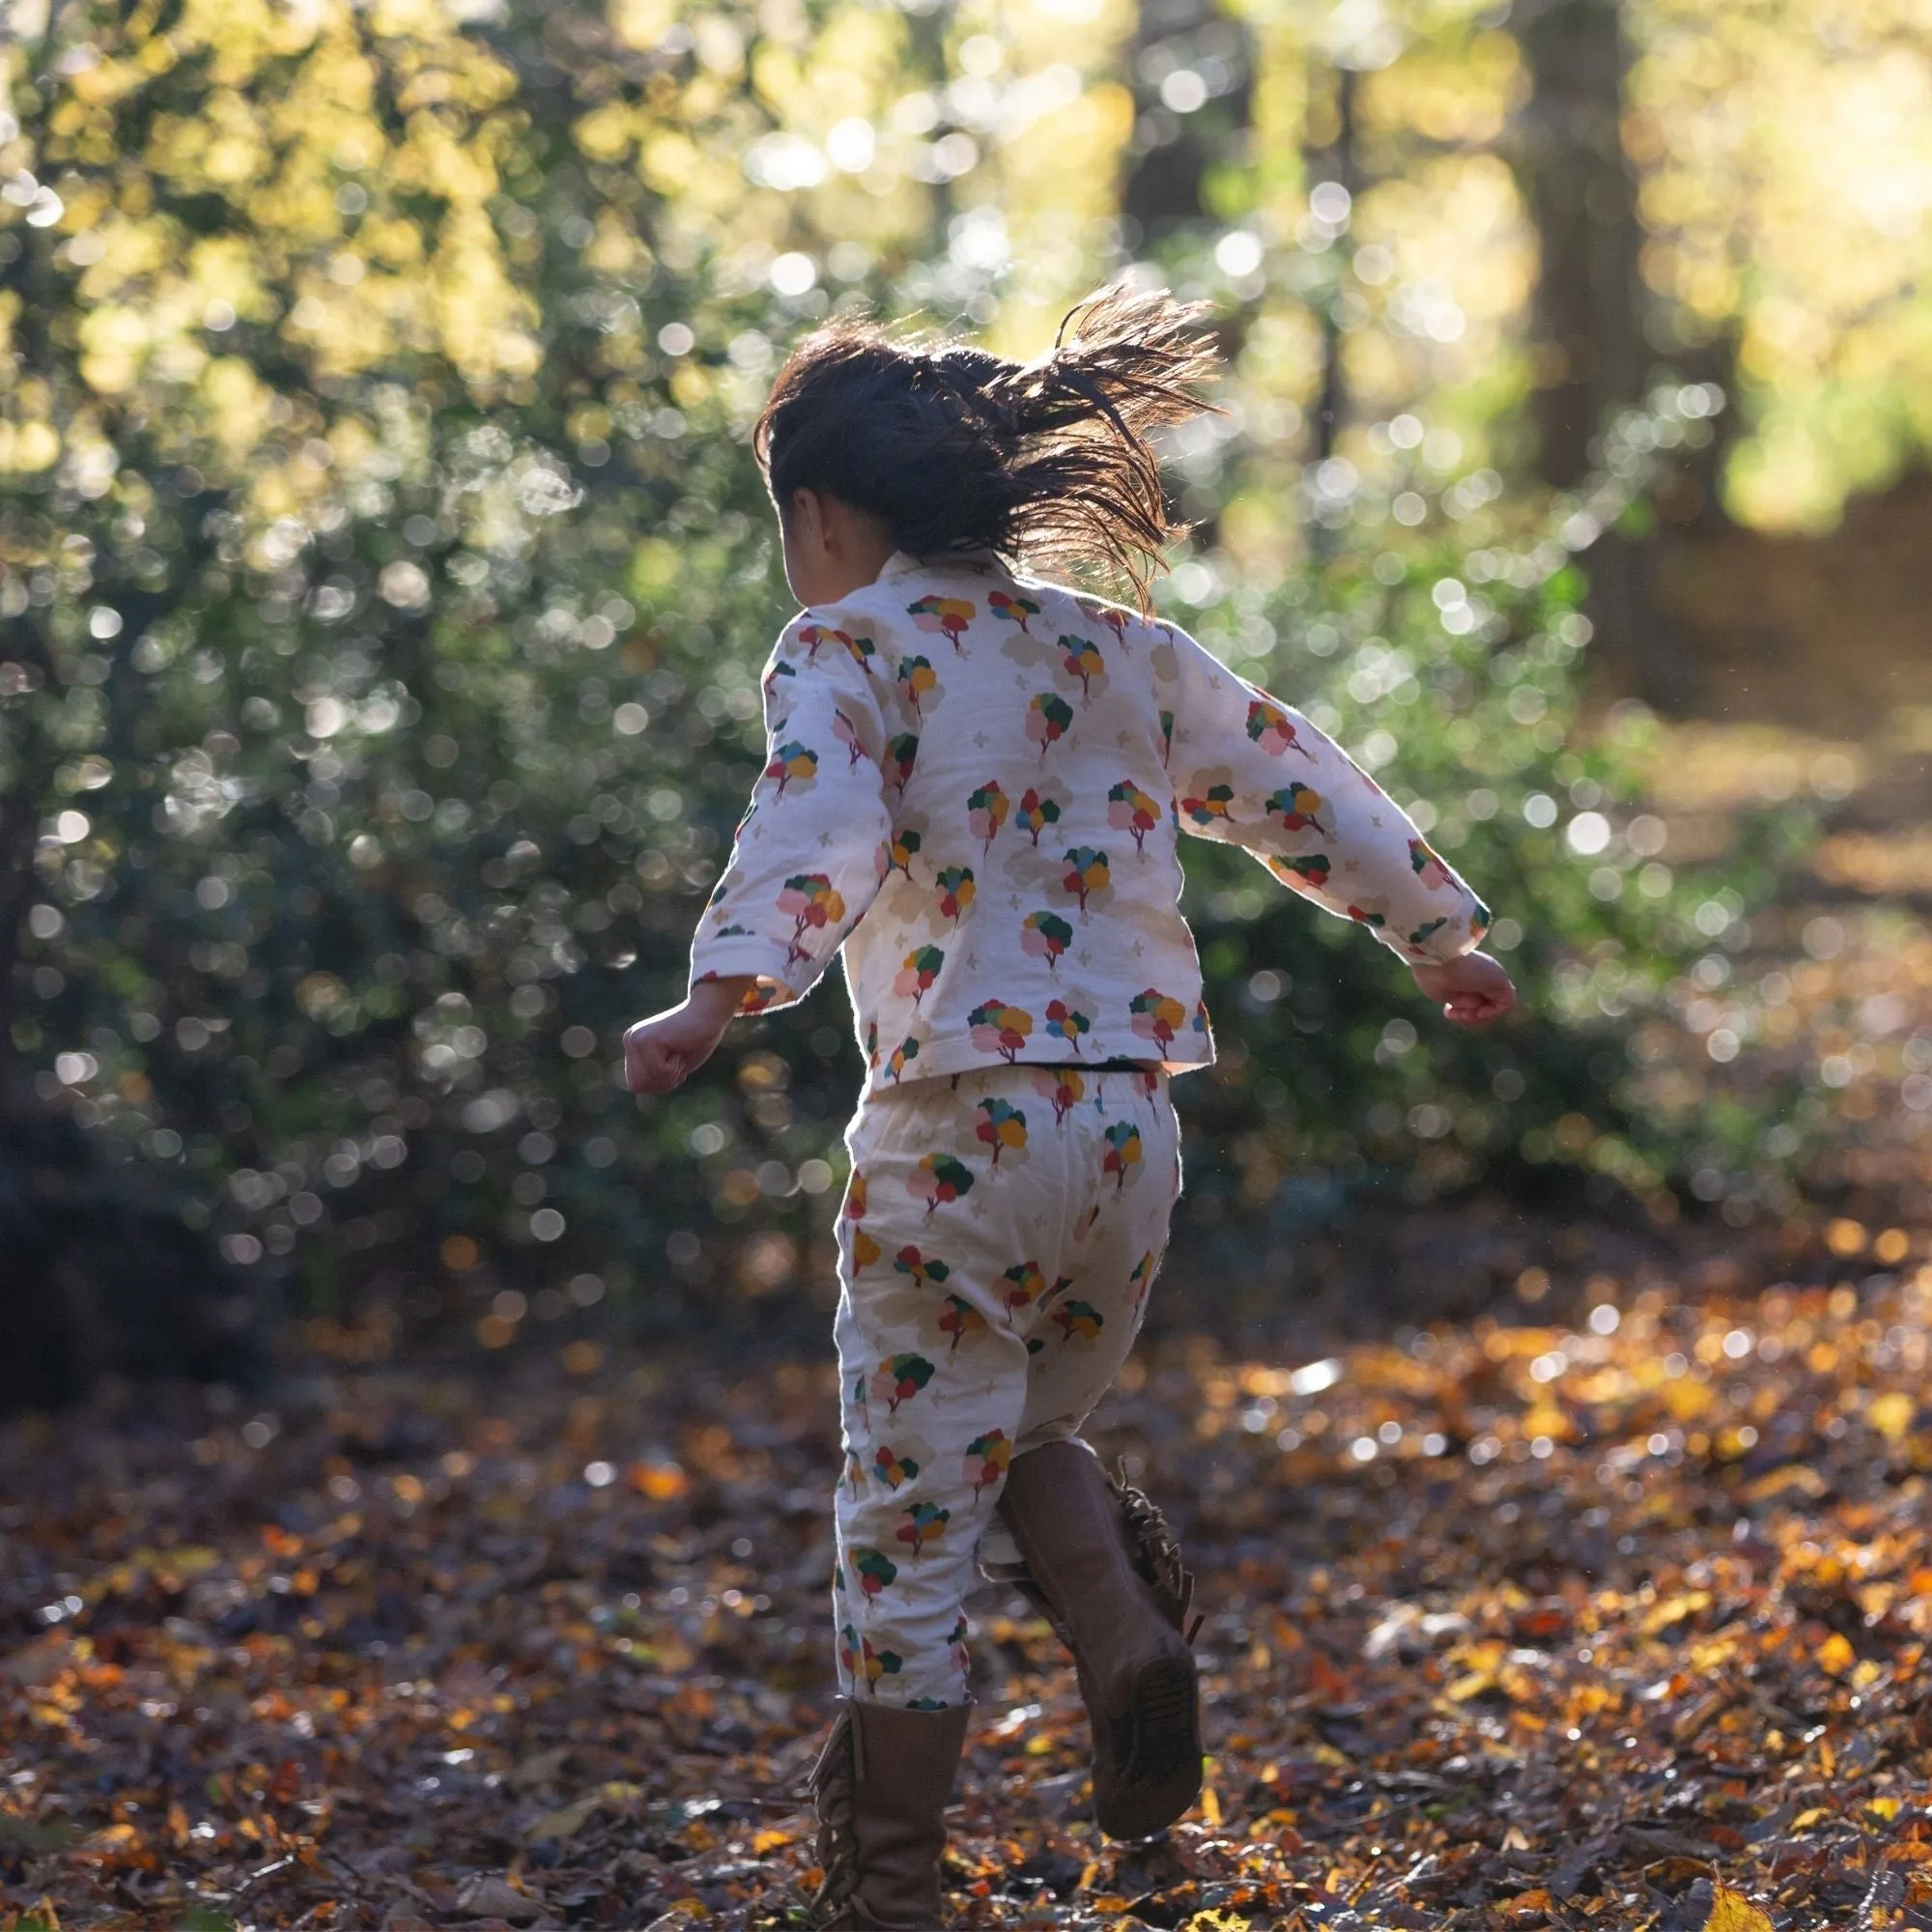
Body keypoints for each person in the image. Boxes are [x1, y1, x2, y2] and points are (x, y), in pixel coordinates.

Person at [623, 284, 1517, 1929]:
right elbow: (1289, 771)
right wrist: (1438, 933)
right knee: (1023, 1424)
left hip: (954, 1131)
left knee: (908, 1512)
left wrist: (722, 991)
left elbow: (812, 834)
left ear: (819, 516)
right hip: (1126, 1137)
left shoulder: (843, 644)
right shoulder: (1119, 649)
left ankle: (890, 1887)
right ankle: (1121, 1630)